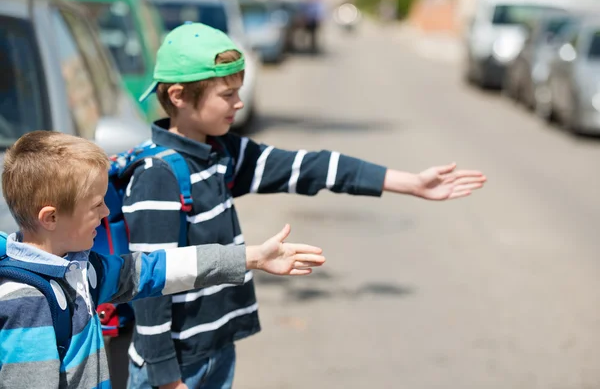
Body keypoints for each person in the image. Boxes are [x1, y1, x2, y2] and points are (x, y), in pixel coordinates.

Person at [126, 22, 487, 389]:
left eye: (239, 91)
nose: (239, 103)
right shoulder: (159, 175)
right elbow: (149, 282)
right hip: (174, 367)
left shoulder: (222, 153)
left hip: (216, 350)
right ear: (178, 96)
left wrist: (409, 183)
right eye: (227, 94)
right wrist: (167, 380)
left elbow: (311, 167)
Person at [0, 130, 326, 389]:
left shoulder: (81, 270)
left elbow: (158, 269)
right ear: (51, 218)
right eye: (96, 204)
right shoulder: (28, 305)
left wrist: (251, 257)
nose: (107, 212)